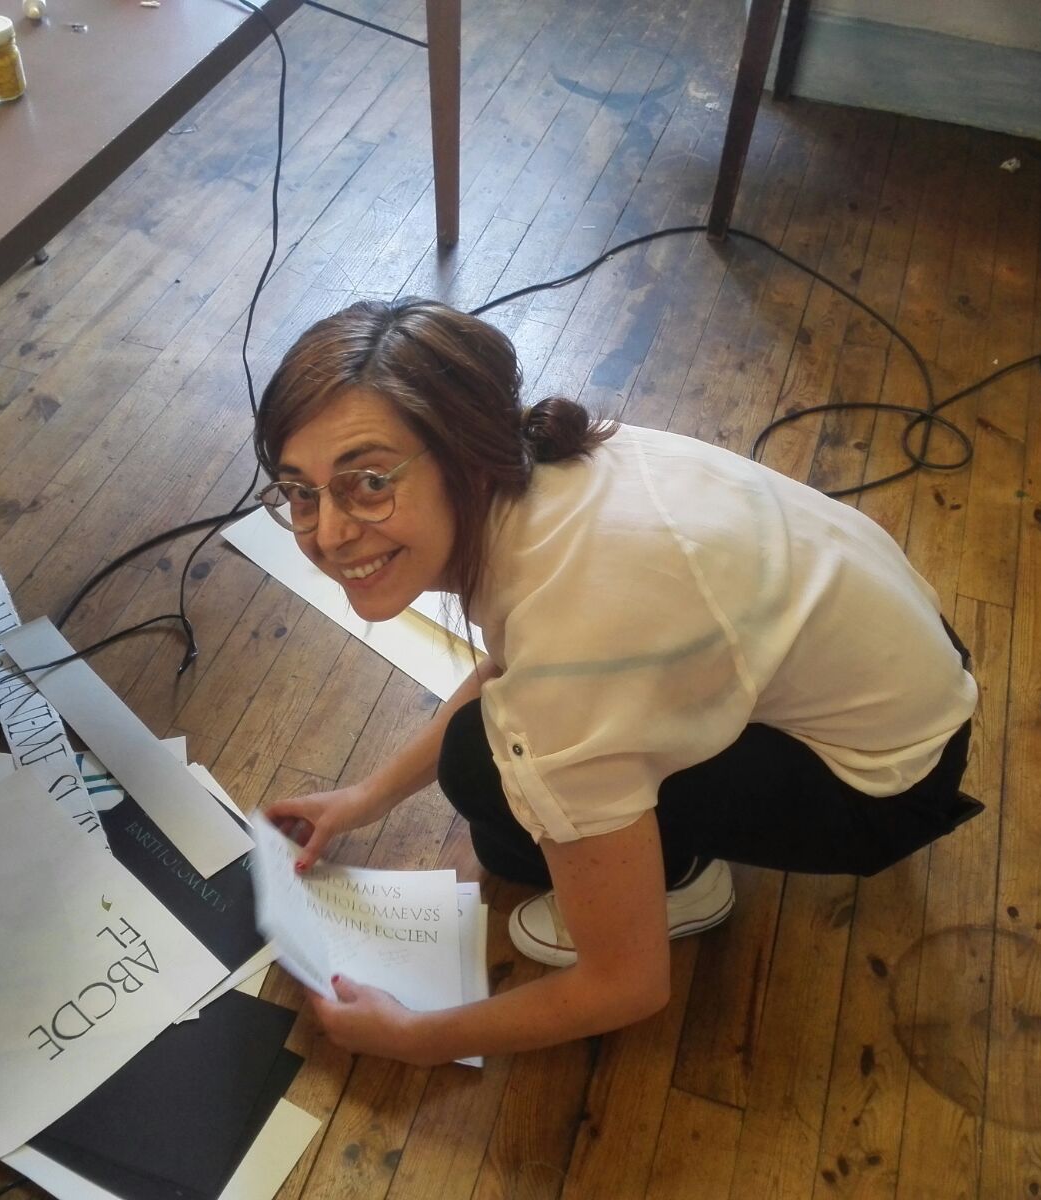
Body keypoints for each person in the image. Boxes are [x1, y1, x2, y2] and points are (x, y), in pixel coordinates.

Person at [254, 298, 980, 1067]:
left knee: (487, 782)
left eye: (368, 481)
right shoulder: (550, 467)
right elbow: (525, 658)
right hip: (921, 664)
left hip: (887, 787)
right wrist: (366, 797)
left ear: (464, 457)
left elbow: (627, 988)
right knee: (498, 765)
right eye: (302, 491)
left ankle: (683, 882)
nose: (328, 533)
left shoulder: (575, 634)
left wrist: (418, 1037)